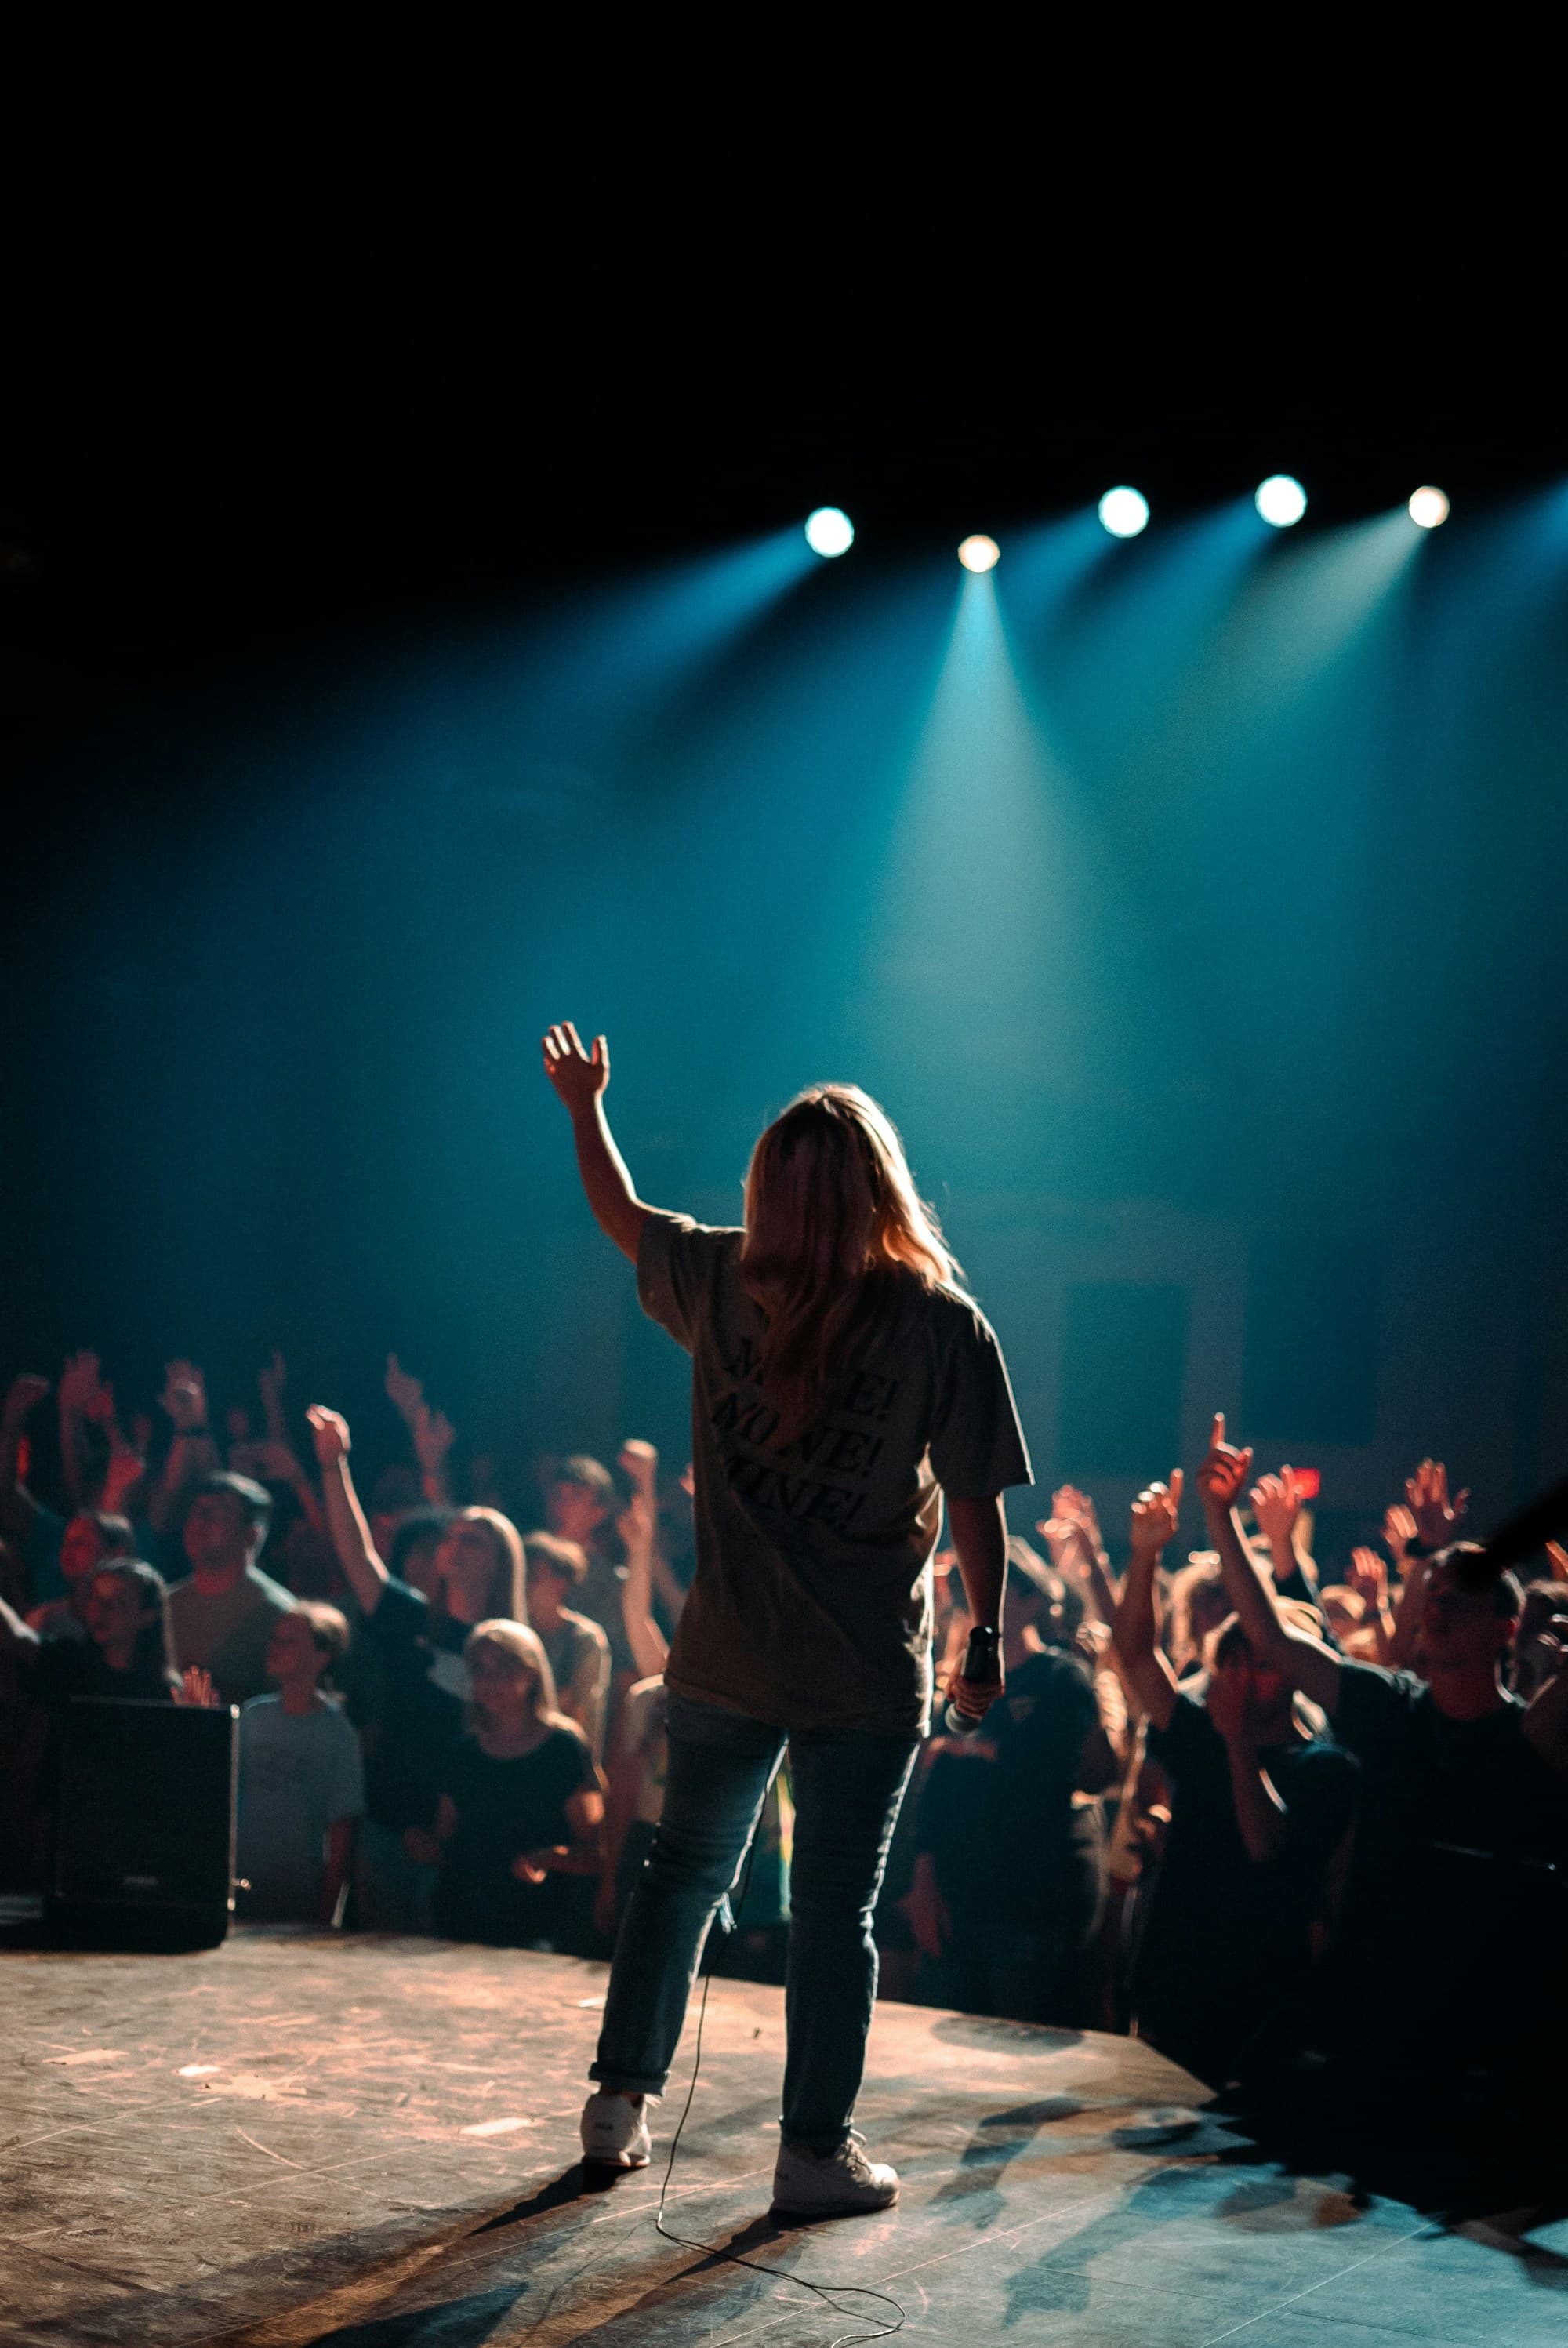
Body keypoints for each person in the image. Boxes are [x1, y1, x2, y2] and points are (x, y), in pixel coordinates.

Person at [543, 1020, 1031, 2216]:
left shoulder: (717, 1278)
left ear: (767, 1185)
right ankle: (812, 2151)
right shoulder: (939, 1321)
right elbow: (975, 1502)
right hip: (863, 1672)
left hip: (721, 1653)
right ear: (880, 1184)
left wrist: (583, 1104)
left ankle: (619, 2103)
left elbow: (621, 1213)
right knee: (834, 1914)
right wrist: (985, 1637)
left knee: (680, 1872)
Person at [1195, 1419, 1568, 2098]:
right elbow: (1274, 1638)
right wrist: (1219, 1517)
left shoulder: (1532, 1739)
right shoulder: (1388, 1707)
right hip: (1370, 2017)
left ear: (1504, 1628)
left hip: (1482, 2042)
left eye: (1459, 1599)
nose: (1437, 1609)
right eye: (1432, 1596)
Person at [1109, 1470, 1358, 2090]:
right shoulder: (1202, 1733)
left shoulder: (1326, 1768)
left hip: (1263, 2003)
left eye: (1262, 1663)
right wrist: (1144, 1555)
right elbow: (1137, 1657)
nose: (1244, 1677)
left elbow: (1264, 1846)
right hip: (1176, 1983)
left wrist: (1239, 1738)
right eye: (1234, 1660)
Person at [307, 1405, 526, 1932]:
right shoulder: (406, 1618)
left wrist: (444, 1837)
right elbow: (355, 1553)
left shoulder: (512, 1650)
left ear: (501, 1562)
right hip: (387, 1826)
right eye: (452, 1536)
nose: (455, 1545)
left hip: (465, 1846)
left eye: (473, 1539)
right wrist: (334, 1465)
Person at [904, 1540, 1119, 2025]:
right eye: (971, 1591)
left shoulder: (1060, 1678)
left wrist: (969, 1748)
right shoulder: (960, 1685)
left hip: (1031, 1894)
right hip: (960, 1891)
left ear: (1031, 1599)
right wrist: (922, 1877)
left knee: (1024, 2036)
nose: (982, 1602)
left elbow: (1051, 1774)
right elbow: (936, 1796)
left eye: (999, 1590)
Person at [418, 1619, 604, 1948]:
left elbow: (595, 1850)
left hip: (539, 1926)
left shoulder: (564, 1749)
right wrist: (424, 1845)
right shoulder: (462, 1753)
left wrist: (547, 1858)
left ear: (532, 1672)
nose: (488, 1680)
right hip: (462, 1921)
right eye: (479, 1669)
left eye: (501, 1668)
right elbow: (444, 1841)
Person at [236, 1602, 364, 1925]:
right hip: (241, 1888)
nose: (274, 1648)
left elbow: (342, 1831)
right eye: (275, 1639)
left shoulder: (338, 1734)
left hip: (297, 1897)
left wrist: (326, 1915)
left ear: (322, 1656)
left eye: (289, 1641)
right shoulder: (252, 1715)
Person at [162, 1473, 296, 1706]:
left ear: (251, 1535)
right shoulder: (166, 1604)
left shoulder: (279, 1614)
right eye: (196, 1512)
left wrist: (218, 1692)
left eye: (216, 1515)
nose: (198, 1523)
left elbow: (287, 1705)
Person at [524, 1533, 611, 1761]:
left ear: (561, 1583)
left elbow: (581, 1712)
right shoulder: (516, 1634)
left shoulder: (584, 1639)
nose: (525, 1585)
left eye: (533, 1577)